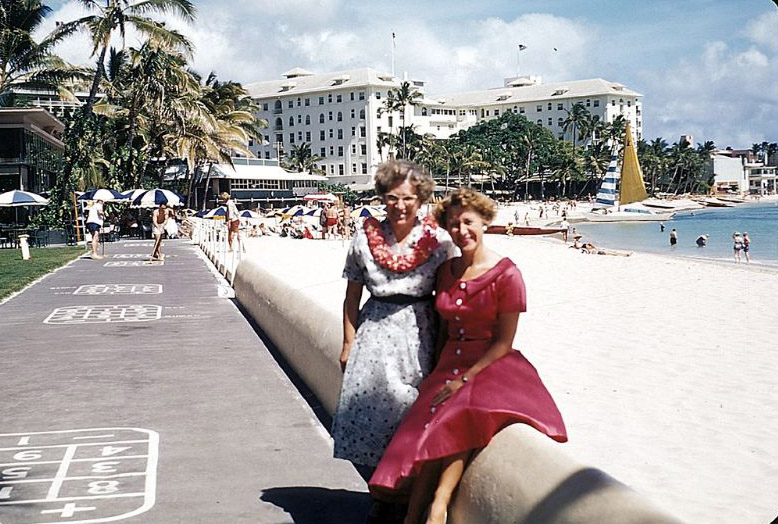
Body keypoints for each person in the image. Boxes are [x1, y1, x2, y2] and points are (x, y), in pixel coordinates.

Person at [369, 188, 567, 524]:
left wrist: (463, 379)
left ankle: (438, 507)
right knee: (430, 421)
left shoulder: (507, 274)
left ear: (485, 222)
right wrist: (436, 373)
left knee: (460, 413)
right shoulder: (446, 272)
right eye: (454, 224)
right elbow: (444, 329)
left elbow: (504, 341)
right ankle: (414, 515)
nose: (462, 231)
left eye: (469, 222)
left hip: (493, 364)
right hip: (450, 362)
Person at [332, 160, 455, 524]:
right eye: (391, 198)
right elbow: (351, 297)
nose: (399, 206)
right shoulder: (362, 239)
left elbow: (449, 299)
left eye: (407, 198)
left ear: (421, 199)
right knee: (361, 420)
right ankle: (379, 494)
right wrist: (347, 342)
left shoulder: (439, 241)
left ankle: (402, 499)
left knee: (409, 418)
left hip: (419, 334)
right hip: (373, 333)